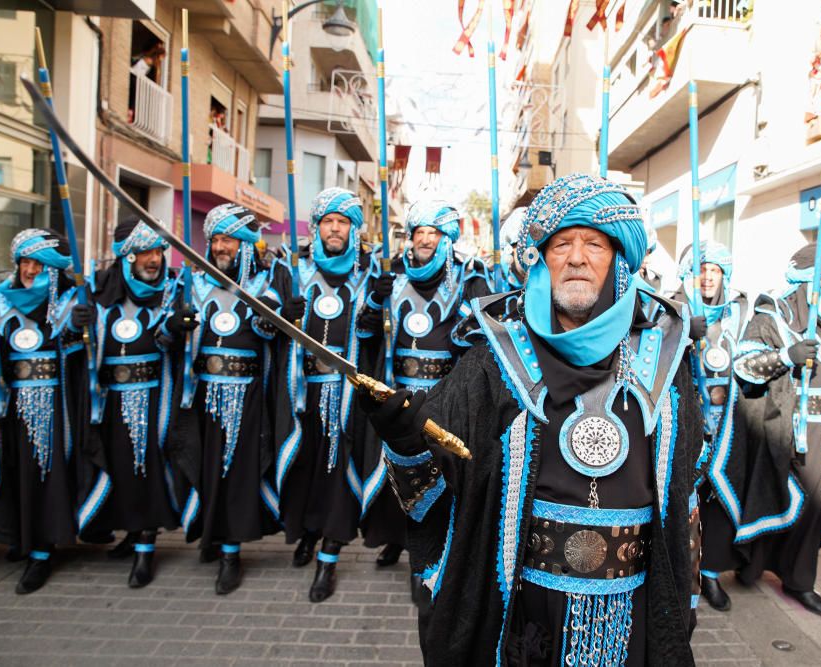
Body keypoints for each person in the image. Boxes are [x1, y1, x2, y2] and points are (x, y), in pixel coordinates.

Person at [360, 173, 702, 665]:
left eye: (595, 245)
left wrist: (682, 607)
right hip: (523, 614)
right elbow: (436, 475)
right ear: (541, 258)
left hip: (632, 611)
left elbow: (685, 496)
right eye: (562, 244)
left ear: (621, 261)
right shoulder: (496, 356)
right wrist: (403, 435)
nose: (577, 258)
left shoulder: (664, 354)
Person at [355, 200, 490, 595]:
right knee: (398, 478)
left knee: (438, 482)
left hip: (444, 400)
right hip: (396, 397)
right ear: (410, 239)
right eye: (419, 233)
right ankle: (398, 543)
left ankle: (428, 561)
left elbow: (485, 339)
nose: (425, 240)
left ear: (447, 240)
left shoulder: (470, 279)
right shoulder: (392, 279)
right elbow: (365, 336)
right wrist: (375, 302)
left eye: (434, 233)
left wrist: (470, 324)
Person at [165, 203, 293, 595]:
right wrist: (174, 327)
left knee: (238, 473)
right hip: (201, 395)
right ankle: (210, 536)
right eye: (216, 239)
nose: (221, 246)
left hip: (247, 395)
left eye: (229, 240)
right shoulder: (191, 281)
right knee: (204, 467)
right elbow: (165, 337)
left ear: (244, 244)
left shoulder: (267, 281)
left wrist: (275, 317)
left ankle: (231, 553)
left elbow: (271, 331)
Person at [732, 244, 821, 616]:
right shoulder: (772, 316)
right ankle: (752, 565)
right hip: (786, 429)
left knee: (813, 511)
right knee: (775, 499)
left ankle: (799, 580)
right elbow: (744, 365)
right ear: (810, 282)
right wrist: (786, 357)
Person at [273, 187, 384, 602]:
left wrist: (375, 312)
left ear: (353, 230)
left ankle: (329, 557)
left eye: (343, 222)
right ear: (315, 228)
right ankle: (306, 533)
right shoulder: (292, 268)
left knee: (339, 472)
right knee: (305, 466)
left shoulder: (370, 271)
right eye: (328, 222)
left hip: (347, 394)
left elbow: (376, 331)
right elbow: (266, 318)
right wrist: (283, 313)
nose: (335, 229)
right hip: (302, 392)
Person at [76, 219, 185, 588]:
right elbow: (79, 344)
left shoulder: (172, 291)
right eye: (144, 252)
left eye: (157, 251)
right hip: (108, 400)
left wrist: (175, 330)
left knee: (147, 468)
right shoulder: (97, 291)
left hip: (154, 397)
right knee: (117, 466)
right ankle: (127, 532)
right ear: (126, 256)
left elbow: (175, 340)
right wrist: (78, 326)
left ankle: (145, 546)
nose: (152, 260)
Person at [0, 229, 90, 594]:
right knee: (14, 472)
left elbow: (87, 362)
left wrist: (83, 333)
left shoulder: (68, 303)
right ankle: (21, 537)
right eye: (25, 263)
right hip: (8, 407)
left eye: (38, 264)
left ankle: (43, 550)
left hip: (54, 408)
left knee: (45, 473)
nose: (30, 270)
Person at [672, 240, 750, 612]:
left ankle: (713, 573)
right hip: (688, 422)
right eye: (702, 270)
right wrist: (683, 333)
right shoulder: (672, 308)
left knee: (718, 502)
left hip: (727, 424)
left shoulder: (739, 315)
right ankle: (683, 574)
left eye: (715, 271)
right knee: (686, 501)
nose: (707, 277)